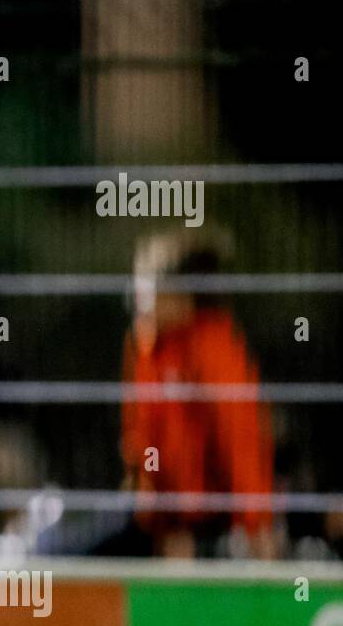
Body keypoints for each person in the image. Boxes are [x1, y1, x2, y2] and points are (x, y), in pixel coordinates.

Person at [119, 231, 279, 559]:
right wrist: (148, 495)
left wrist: (255, 523)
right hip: (172, 511)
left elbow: (238, 437)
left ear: (182, 296)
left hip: (216, 504)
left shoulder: (213, 349)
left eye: (148, 289)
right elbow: (141, 427)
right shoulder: (147, 346)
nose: (138, 299)